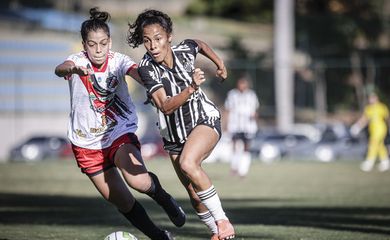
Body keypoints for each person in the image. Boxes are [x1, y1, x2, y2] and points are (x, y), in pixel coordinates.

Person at [54, 7, 186, 240]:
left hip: (117, 132)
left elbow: (137, 72)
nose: (98, 50)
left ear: (110, 42)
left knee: (138, 180)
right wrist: (73, 69)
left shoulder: (118, 61)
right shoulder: (76, 61)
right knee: (123, 201)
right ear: (84, 44)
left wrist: (154, 86)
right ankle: (159, 236)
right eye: (92, 44)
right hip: (86, 143)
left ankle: (164, 198)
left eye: (103, 44)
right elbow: (60, 68)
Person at [127, 9, 235, 240]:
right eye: (147, 40)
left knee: (188, 163)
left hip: (203, 119)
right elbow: (165, 106)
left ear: (168, 37)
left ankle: (223, 222)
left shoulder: (184, 51)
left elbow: (199, 44)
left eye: (157, 38)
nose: (153, 46)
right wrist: (191, 88)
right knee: (194, 196)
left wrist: (220, 63)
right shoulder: (147, 69)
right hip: (174, 135)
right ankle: (219, 234)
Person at [224, 76, 259, 178]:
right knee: (235, 146)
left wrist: (255, 116)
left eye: (244, 84)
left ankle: (243, 170)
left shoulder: (252, 95)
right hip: (235, 125)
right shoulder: (232, 94)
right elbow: (228, 109)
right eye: (240, 83)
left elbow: (255, 110)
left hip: (248, 126)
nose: (242, 86)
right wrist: (226, 124)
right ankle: (234, 167)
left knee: (246, 148)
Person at [350, 92, 390, 172]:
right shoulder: (368, 108)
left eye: (373, 98)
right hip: (373, 130)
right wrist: (357, 126)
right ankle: (385, 162)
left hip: (381, 129)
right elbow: (364, 119)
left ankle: (369, 162)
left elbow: (387, 118)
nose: (371, 100)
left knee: (373, 144)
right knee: (380, 145)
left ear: (376, 98)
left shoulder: (382, 107)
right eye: (370, 98)